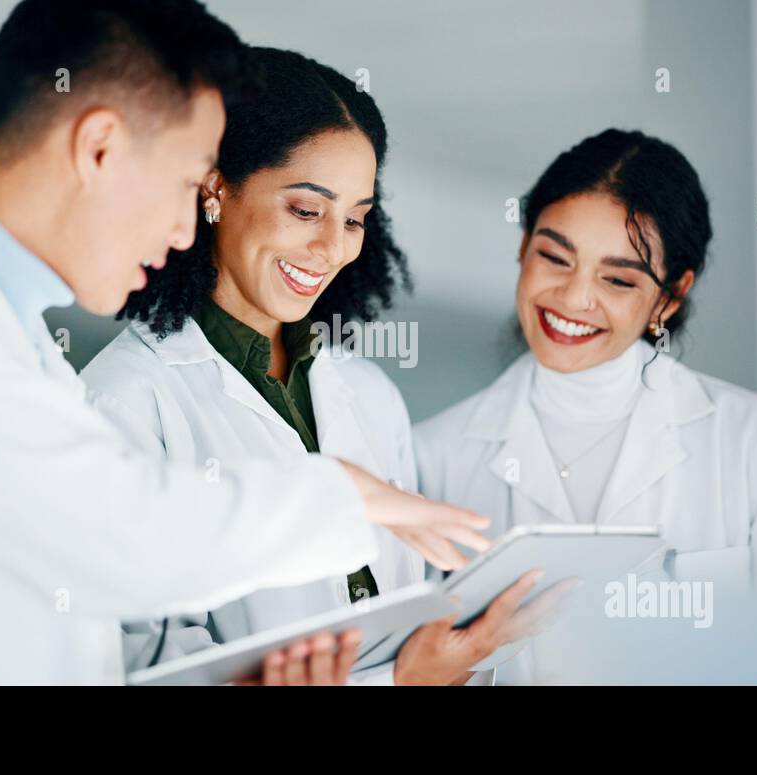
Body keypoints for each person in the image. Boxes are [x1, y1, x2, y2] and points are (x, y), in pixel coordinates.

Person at [0, 0, 487, 685]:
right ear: (100, 147)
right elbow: (119, 532)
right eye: (185, 184)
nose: (183, 231)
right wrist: (344, 495)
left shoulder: (20, 346)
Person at [81, 47, 552, 686]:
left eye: (356, 219)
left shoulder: (366, 392)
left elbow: (406, 619)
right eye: (306, 210)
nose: (334, 248)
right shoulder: (123, 401)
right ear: (217, 186)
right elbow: (135, 670)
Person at [414, 128, 757, 684]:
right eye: (555, 257)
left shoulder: (749, 438)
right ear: (522, 247)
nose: (575, 298)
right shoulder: (432, 455)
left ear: (671, 296)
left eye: (618, 279)